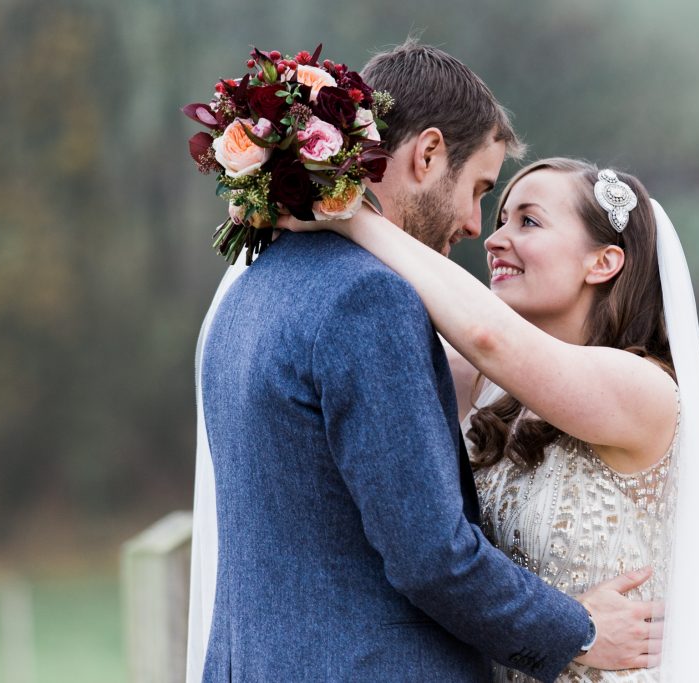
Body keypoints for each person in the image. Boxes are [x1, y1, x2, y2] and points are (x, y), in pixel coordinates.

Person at [187, 41, 662, 682]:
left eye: (525, 218)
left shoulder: (247, 293)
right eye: (480, 192)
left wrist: (335, 205)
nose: (476, 226)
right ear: (429, 153)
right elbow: (431, 555)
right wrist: (579, 632)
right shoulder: (369, 300)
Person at [278, 157, 699, 681]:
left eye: (529, 222)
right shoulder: (484, 384)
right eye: (500, 222)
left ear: (604, 262)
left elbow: (486, 334)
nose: (493, 240)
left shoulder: (645, 391)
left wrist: (348, 214)